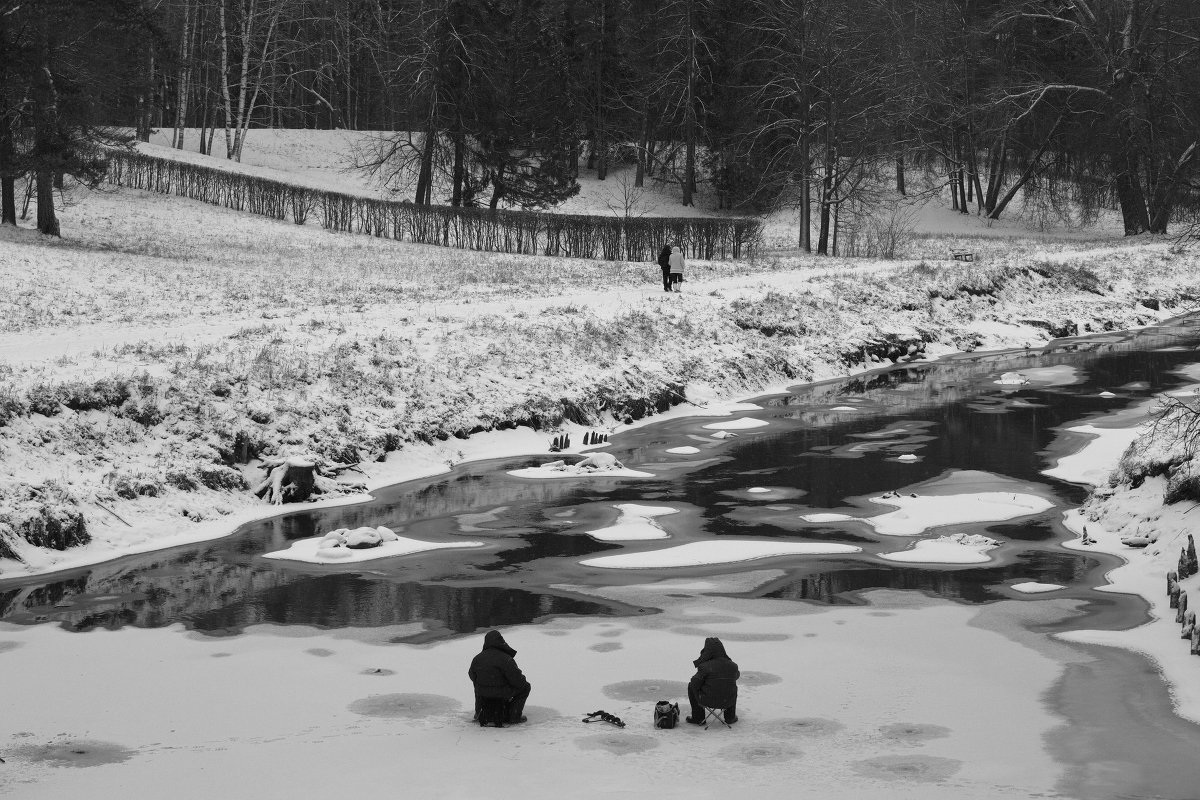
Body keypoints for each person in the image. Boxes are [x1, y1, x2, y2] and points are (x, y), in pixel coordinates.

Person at [468, 629, 531, 725]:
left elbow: (472, 675)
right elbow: (518, 682)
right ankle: (514, 716)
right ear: (501, 641)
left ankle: (479, 712)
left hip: (483, 693)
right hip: (501, 693)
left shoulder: (477, 658)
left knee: (478, 686)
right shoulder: (506, 659)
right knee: (526, 687)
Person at [686, 636, 739, 725]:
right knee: (732, 686)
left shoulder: (704, 666)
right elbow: (736, 676)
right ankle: (730, 717)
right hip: (728, 701)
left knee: (691, 685)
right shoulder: (733, 665)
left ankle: (698, 717)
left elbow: (695, 682)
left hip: (708, 700)